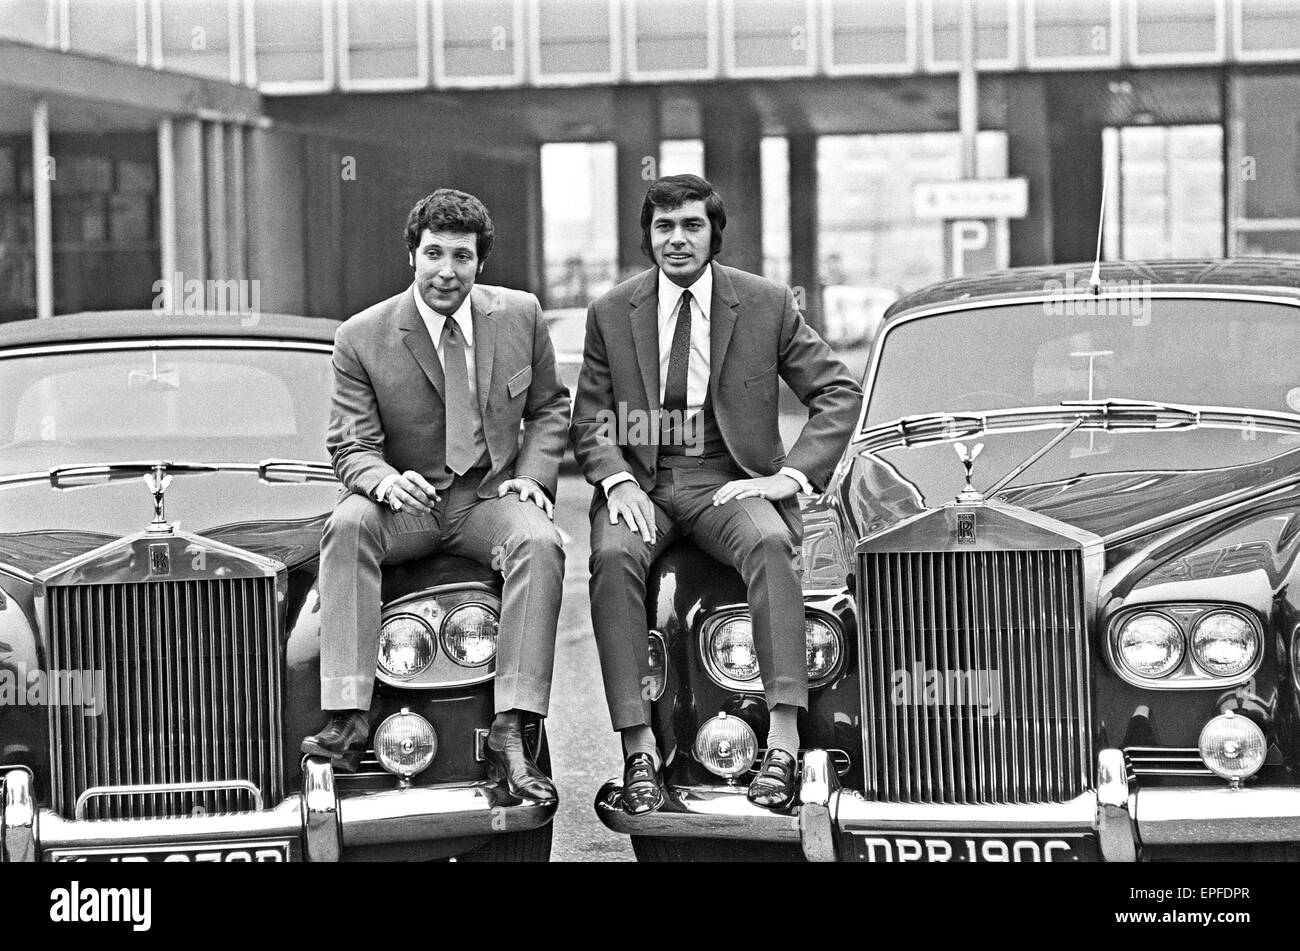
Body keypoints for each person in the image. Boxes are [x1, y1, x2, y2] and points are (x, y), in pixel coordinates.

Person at [570, 174, 863, 814]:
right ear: (648, 236)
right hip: (643, 483)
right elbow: (590, 417)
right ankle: (638, 748)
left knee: (771, 542)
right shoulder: (611, 312)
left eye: (691, 226)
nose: (677, 239)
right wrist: (616, 478)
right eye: (664, 227)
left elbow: (838, 392)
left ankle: (783, 740)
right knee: (613, 558)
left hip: (727, 480)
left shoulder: (765, 304)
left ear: (714, 234)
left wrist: (794, 476)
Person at [303, 189, 570, 804]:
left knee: (540, 540)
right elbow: (349, 447)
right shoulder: (361, 337)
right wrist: (384, 480)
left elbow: (551, 406)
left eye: (462, 257)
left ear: (481, 263)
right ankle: (348, 714)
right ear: (412, 255)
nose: (446, 271)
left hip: (486, 498)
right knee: (347, 525)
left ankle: (513, 723)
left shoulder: (522, 315)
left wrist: (532, 474)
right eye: (433, 254)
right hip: (408, 507)